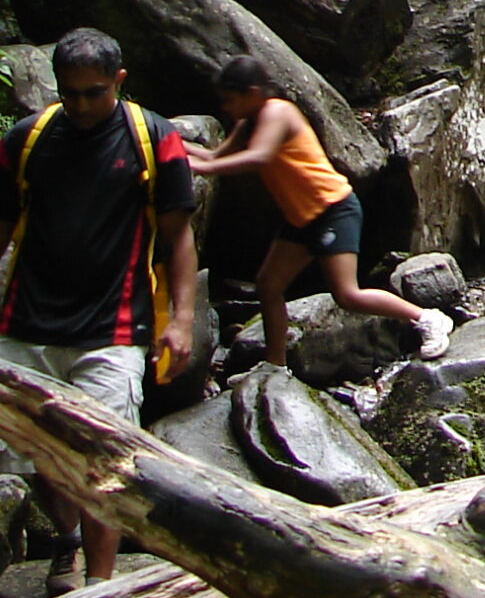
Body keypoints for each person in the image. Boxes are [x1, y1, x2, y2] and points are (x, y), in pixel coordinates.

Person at [0, 26, 198, 595]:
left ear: (119, 81)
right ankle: (65, 540)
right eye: (69, 93)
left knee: (104, 466)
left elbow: (178, 235)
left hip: (114, 329)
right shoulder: (28, 139)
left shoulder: (154, 139)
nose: (81, 105)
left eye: (94, 92)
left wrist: (182, 318)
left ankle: (98, 586)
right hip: (27, 325)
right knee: (39, 458)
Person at [187, 55, 453, 366]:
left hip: (332, 209)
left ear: (253, 92)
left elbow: (258, 157)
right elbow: (213, 156)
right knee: (269, 285)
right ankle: (276, 365)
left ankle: (427, 318)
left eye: (230, 100)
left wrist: (203, 166)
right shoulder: (248, 123)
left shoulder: (278, 112)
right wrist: (171, 142)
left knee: (347, 294)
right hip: (301, 218)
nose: (226, 108)